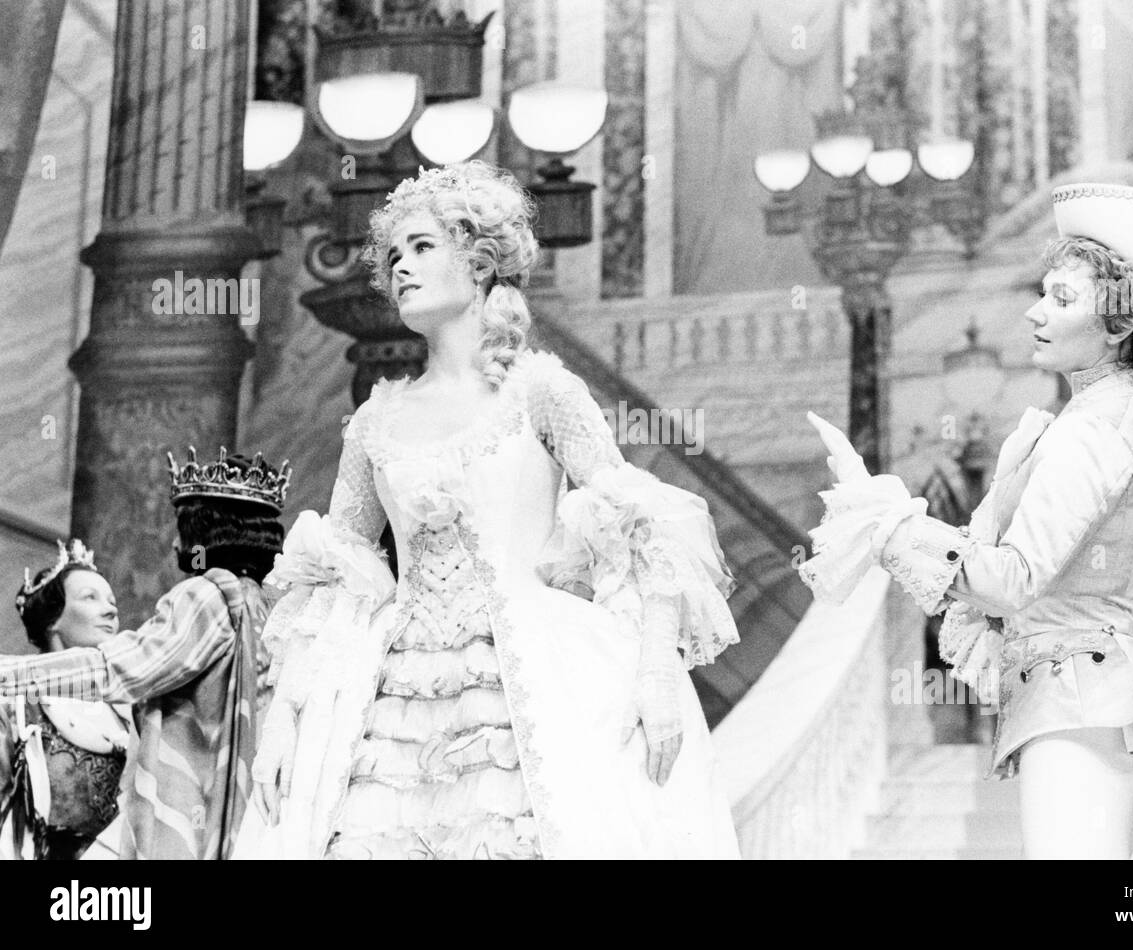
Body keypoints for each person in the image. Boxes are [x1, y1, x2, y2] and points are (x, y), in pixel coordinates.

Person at [241, 160, 741, 860]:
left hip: (531, 677)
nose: (401, 268)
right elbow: (334, 584)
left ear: (478, 263)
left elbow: (642, 523)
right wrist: (286, 724)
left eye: (422, 247)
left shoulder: (539, 391)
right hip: (393, 697)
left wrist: (658, 669)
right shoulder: (375, 420)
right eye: (393, 255)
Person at [798, 183, 1133, 858]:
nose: (1032, 312)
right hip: (1107, 708)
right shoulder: (1129, 409)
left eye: (1060, 298)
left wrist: (885, 519)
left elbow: (1009, 580)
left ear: (1119, 325)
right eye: (1041, 292)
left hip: (1078, 716)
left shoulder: (1096, 428)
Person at [0, 449, 288, 858]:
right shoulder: (269, 606)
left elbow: (118, 668)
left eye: (182, 528)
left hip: (188, 815)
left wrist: (8, 674)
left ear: (204, 532)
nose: (174, 543)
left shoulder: (210, 596)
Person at [0, 540, 129, 860]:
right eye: (90, 597)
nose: (111, 610)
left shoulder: (131, 711)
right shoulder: (16, 705)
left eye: (112, 601)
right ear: (52, 619)